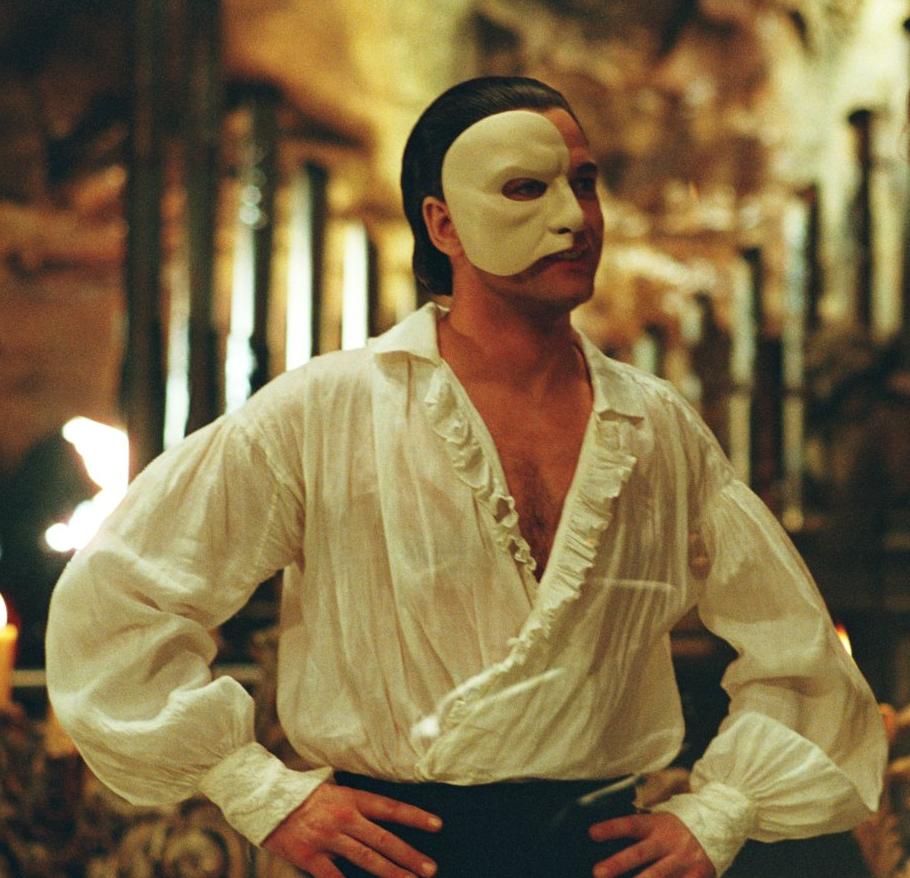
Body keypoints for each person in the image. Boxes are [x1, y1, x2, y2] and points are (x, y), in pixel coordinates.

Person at [46, 76, 886, 878]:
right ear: (442, 224)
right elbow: (121, 600)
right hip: (388, 854)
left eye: (585, 184)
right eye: (526, 188)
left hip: (599, 853)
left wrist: (719, 812)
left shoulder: (657, 429)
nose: (573, 217)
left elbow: (799, 650)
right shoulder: (329, 410)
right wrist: (261, 792)